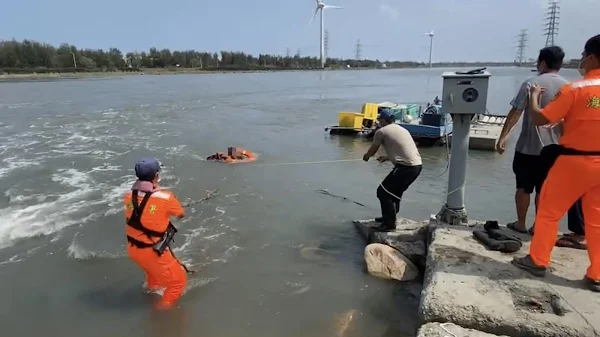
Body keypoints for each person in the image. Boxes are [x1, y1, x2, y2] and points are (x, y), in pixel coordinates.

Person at [512, 34, 600, 292]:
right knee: (596, 220)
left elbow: (540, 119)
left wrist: (535, 99)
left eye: (584, 54)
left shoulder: (576, 89)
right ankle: (596, 274)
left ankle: (537, 260)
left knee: (549, 212)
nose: (582, 59)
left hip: (575, 161)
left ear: (592, 57)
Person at [496, 46, 568, 234]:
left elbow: (516, 112)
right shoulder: (568, 87)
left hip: (527, 148)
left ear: (542, 63)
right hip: (554, 149)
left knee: (523, 187)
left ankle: (520, 223)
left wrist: (503, 136)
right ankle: (538, 226)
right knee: (544, 190)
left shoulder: (531, 83)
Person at [125, 157, 187, 309]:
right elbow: (180, 214)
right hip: (153, 251)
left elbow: (143, 210)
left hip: (133, 249)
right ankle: (162, 316)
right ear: (156, 175)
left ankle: (151, 295)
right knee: (178, 283)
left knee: (154, 277)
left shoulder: (129, 196)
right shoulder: (166, 197)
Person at [362, 109, 423, 231]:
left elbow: (373, 149)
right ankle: (389, 217)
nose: (378, 122)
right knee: (394, 193)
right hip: (416, 166)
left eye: (380, 119)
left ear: (384, 120)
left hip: (405, 168)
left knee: (382, 192)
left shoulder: (381, 131)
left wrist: (367, 156)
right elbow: (403, 150)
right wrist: (387, 157)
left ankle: (389, 224)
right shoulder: (401, 129)